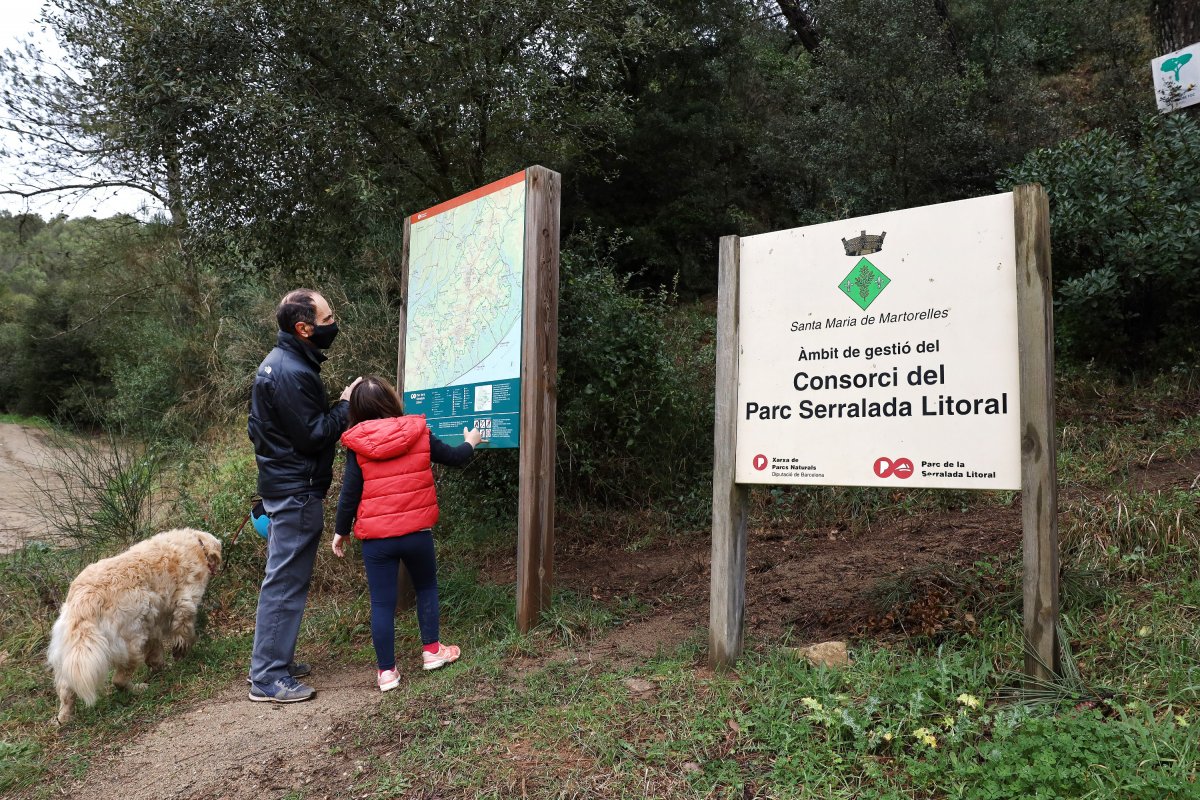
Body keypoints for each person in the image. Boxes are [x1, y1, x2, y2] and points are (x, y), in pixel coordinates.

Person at [332, 375, 483, 692]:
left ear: (357, 409)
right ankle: (432, 652)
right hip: (417, 532)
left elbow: (349, 493)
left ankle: (387, 673)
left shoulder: (357, 443)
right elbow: (454, 457)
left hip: (377, 540)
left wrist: (341, 531)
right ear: (391, 400)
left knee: (382, 604)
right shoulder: (418, 431)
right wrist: (471, 441)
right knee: (426, 587)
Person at [247, 289, 360, 703]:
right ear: (304, 328)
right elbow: (313, 434)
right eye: (328, 318)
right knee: (285, 584)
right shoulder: (292, 372)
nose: (334, 324)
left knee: (286, 580)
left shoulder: (283, 364)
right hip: (296, 491)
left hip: (286, 486)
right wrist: (346, 405)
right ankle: (268, 677)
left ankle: (276, 661)